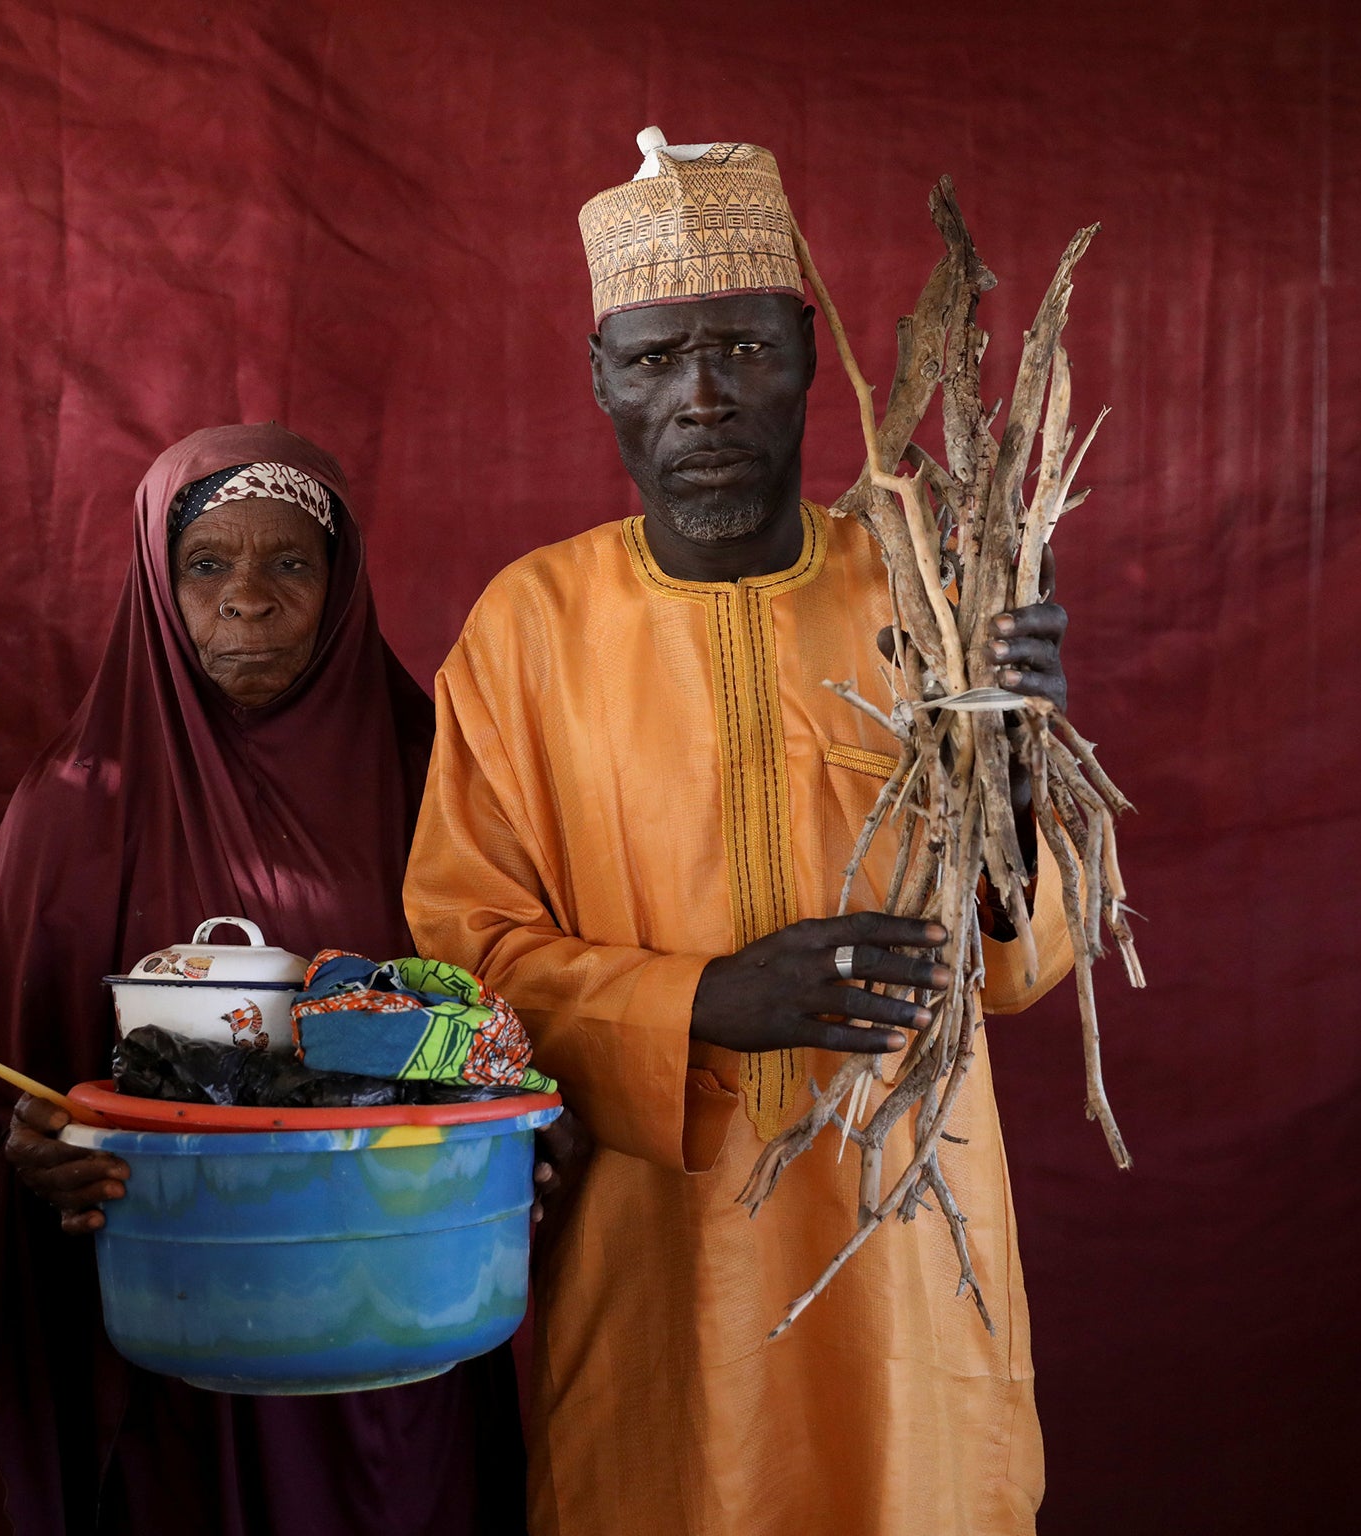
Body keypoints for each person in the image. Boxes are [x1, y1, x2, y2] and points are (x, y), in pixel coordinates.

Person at [403, 136, 1077, 1534]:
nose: (699, 398)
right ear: (599, 375)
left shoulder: (929, 596)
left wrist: (1013, 771)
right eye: (653, 359)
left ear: (808, 355)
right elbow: (467, 960)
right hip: (655, 1249)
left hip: (905, 1229)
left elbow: (1021, 968)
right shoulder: (528, 631)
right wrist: (706, 1000)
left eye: (739, 351)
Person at [0, 425, 528, 1536]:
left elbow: (513, 1024)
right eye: (206, 565)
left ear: (342, 583)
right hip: (172, 1312)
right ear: (159, 588)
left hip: (395, 1294)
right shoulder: (75, 807)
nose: (246, 601)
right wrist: (43, 1141)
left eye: (288, 564)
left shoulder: (435, 779)